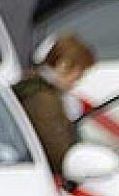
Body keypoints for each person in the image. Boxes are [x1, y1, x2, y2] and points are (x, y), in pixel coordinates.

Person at [11, 33, 96, 179]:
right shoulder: (44, 100)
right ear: (63, 65)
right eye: (77, 75)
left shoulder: (34, 87)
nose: (76, 83)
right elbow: (59, 154)